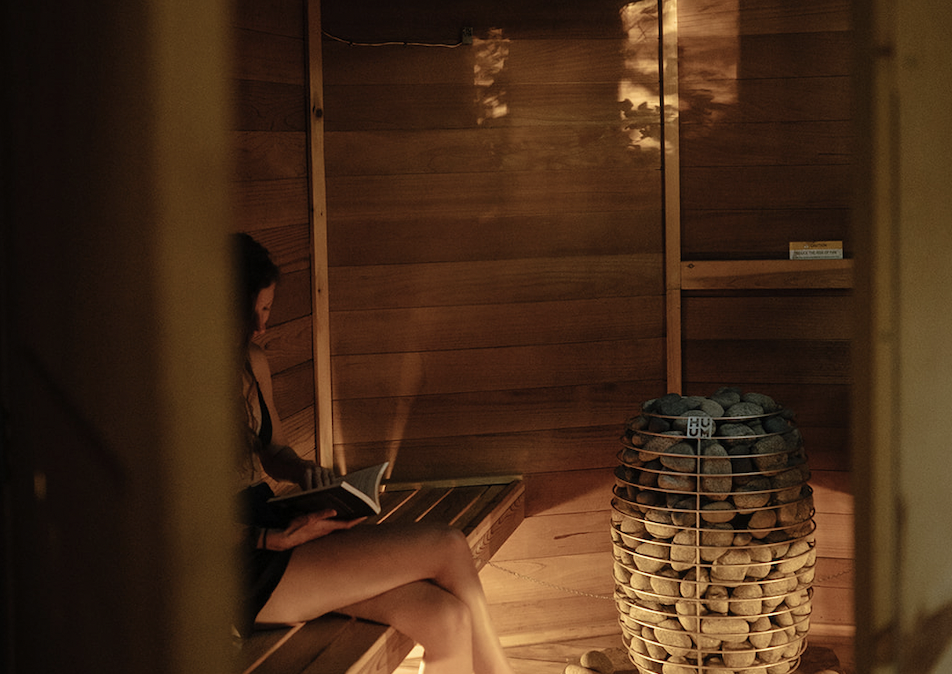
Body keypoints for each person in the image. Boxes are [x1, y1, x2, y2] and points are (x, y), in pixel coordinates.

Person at [233, 233, 515, 674]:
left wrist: (310, 476)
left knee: (446, 618)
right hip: (236, 568)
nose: (261, 327)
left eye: (267, 310)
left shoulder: (252, 362)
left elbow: (274, 451)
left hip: (274, 524)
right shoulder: (174, 383)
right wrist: (270, 539)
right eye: (252, 313)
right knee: (448, 545)